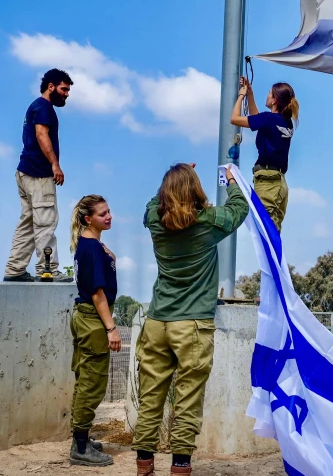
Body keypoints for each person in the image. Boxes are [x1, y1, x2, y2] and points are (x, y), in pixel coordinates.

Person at [132, 163, 249, 476]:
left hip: (157, 323)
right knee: (187, 401)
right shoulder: (208, 223)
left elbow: (149, 206)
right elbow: (239, 209)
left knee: (151, 398)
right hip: (193, 327)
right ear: (195, 190)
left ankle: (144, 468)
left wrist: (172, 180)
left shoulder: (155, 220)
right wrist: (232, 179)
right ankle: (180, 468)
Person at [4, 68, 74, 282]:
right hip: (38, 174)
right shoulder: (44, 107)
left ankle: (14, 269)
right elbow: (41, 134)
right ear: (51, 87)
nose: (66, 94)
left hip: (24, 172)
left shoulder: (35, 106)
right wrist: (55, 165)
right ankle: (48, 270)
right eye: (63, 89)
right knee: (45, 222)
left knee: (28, 222)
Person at [68, 194, 122, 467]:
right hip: (93, 319)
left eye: (109, 211)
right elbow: (98, 294)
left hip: (85, 317)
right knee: (92, 383)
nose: (109, 216)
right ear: (88, 219)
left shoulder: (91, 245)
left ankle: (82, 438)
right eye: (102, 214)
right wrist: (111, 328)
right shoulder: (90, 247)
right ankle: (79, 448)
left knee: (85, 379)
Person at [229, 77, 299, 231]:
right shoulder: (286, 122)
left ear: (274, 100)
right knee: (273, 232)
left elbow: (234, 119)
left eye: (269, 94)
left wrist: (241, 95)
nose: (267, 96)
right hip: (279, 183)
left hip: (268, 181)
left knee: (265, 230)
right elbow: (258, 119)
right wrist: (250, 94)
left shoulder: (268, 119)